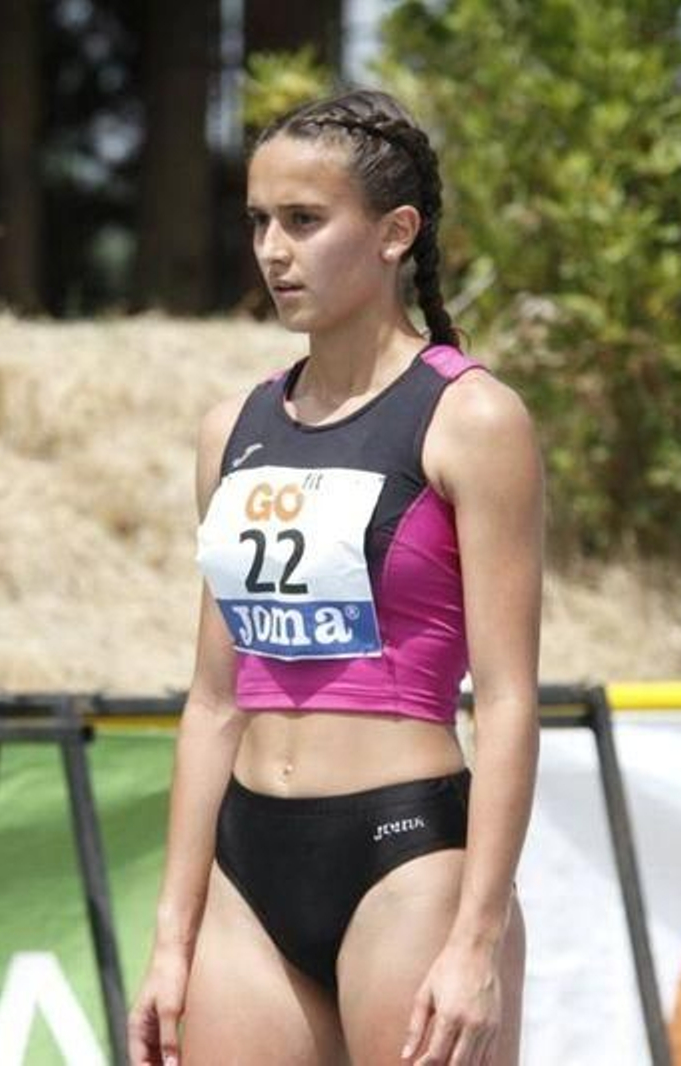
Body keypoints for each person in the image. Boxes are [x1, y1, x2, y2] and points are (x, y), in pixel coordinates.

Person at [127, 87, 542, 1066]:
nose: (273, 251)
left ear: (396, 233)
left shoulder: (472, 418)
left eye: (304, 221)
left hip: (407, 857)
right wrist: (172, 938)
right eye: (258, 222)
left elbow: (508, 701)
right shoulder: (231, 429)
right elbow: (213, 699)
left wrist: (476, 940)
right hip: (247, 867)